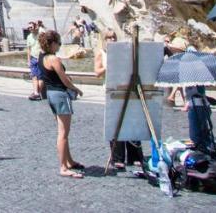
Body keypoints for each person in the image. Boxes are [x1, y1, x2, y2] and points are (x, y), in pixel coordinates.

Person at [93, 29, 145, 173]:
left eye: (114, 37)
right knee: (115, 125)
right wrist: (108, 65)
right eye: (109, 37)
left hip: (127, 89)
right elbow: (97, 72)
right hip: (111, 91)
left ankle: (135, 156)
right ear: (104, 39)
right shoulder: (101, 53)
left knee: (132, 121)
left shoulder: (122, 52)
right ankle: (118, 158)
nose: (112, 40)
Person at [40, 29, 85, 179]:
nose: (59, 45)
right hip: (60, 94)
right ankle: (63, 167)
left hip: (51, 94)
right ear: (52, 44)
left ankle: (69, 161)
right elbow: (64, 79)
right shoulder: (54, 59)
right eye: (58, 43)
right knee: (63, 133)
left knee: (63, 131)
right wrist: (76, 89)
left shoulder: (42, 57)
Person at [24, 22, 43, 100]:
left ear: (35, 27)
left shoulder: (41, 34)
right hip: (33, 58)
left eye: (31, 27)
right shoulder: (29, 37)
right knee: (34, 76)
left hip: (41, 58)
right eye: (28, 28)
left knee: (41, 77)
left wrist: (41, 56)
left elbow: (44, 46)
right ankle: (36, 92)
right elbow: (28, 49)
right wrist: (28, 60)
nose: (29, 29)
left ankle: (38, 92)